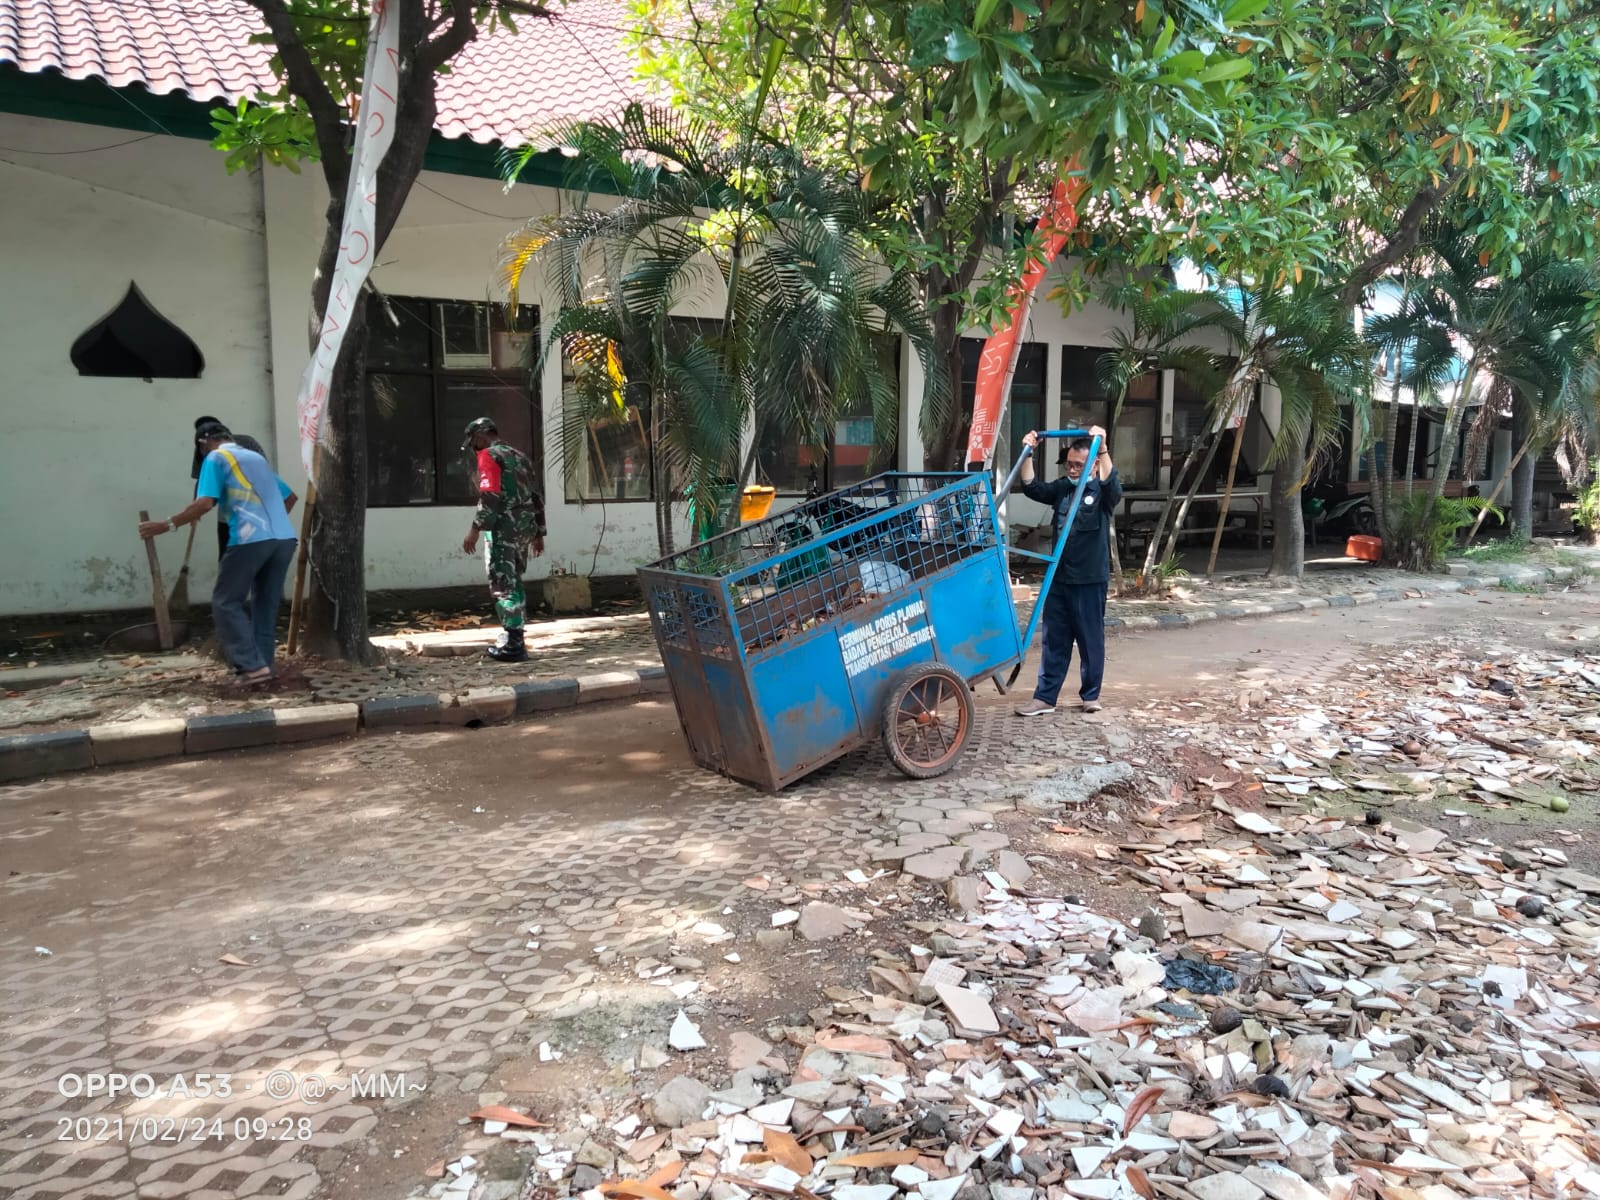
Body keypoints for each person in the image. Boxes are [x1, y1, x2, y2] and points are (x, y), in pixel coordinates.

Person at [141, 422, 298, 686]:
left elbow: (204, 503)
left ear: (204, 443)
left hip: (250, 539)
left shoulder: (215, 458)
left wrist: (164, 525)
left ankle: (251, 666)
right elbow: (290, 497)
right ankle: (264, 667)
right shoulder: (256, 459)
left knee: (225, 602)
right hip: (284, 540)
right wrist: (272, 526)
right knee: (265, 605)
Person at [1014, 425, 1121, 716]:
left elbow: (1112, 484)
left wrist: (1103, 447)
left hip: (1089, 580)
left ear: (1093, 464)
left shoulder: (1102, 492)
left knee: (1090, 640)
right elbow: (1032, 487)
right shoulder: (1063, 488)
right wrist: (1028, 451)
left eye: (1078, 465)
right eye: (1069, 464)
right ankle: (1045, 698)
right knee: (1054, 640)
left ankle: (1090, 696)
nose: (1072, 470)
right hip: (1058, 579)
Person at [460, 417, 546, 663]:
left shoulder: (488, 455)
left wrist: (474, 529)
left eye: (473, 443)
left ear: (481, 436)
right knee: (514, 580)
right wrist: (539, 532)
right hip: (524, 528)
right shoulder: (520, 456)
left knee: (503, 583)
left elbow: (489, 496)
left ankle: (514, 646)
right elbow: (536, 496)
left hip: (503, 530)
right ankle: (514, 637)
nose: (474, 448)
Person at [191, 415, 269, 562]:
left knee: (238, 558)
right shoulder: (201, 451)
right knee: (228, 556)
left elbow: (263, 471)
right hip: (232, 512)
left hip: (250, 510)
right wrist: (195, 506)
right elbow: (201, 479)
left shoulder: (246, 442)